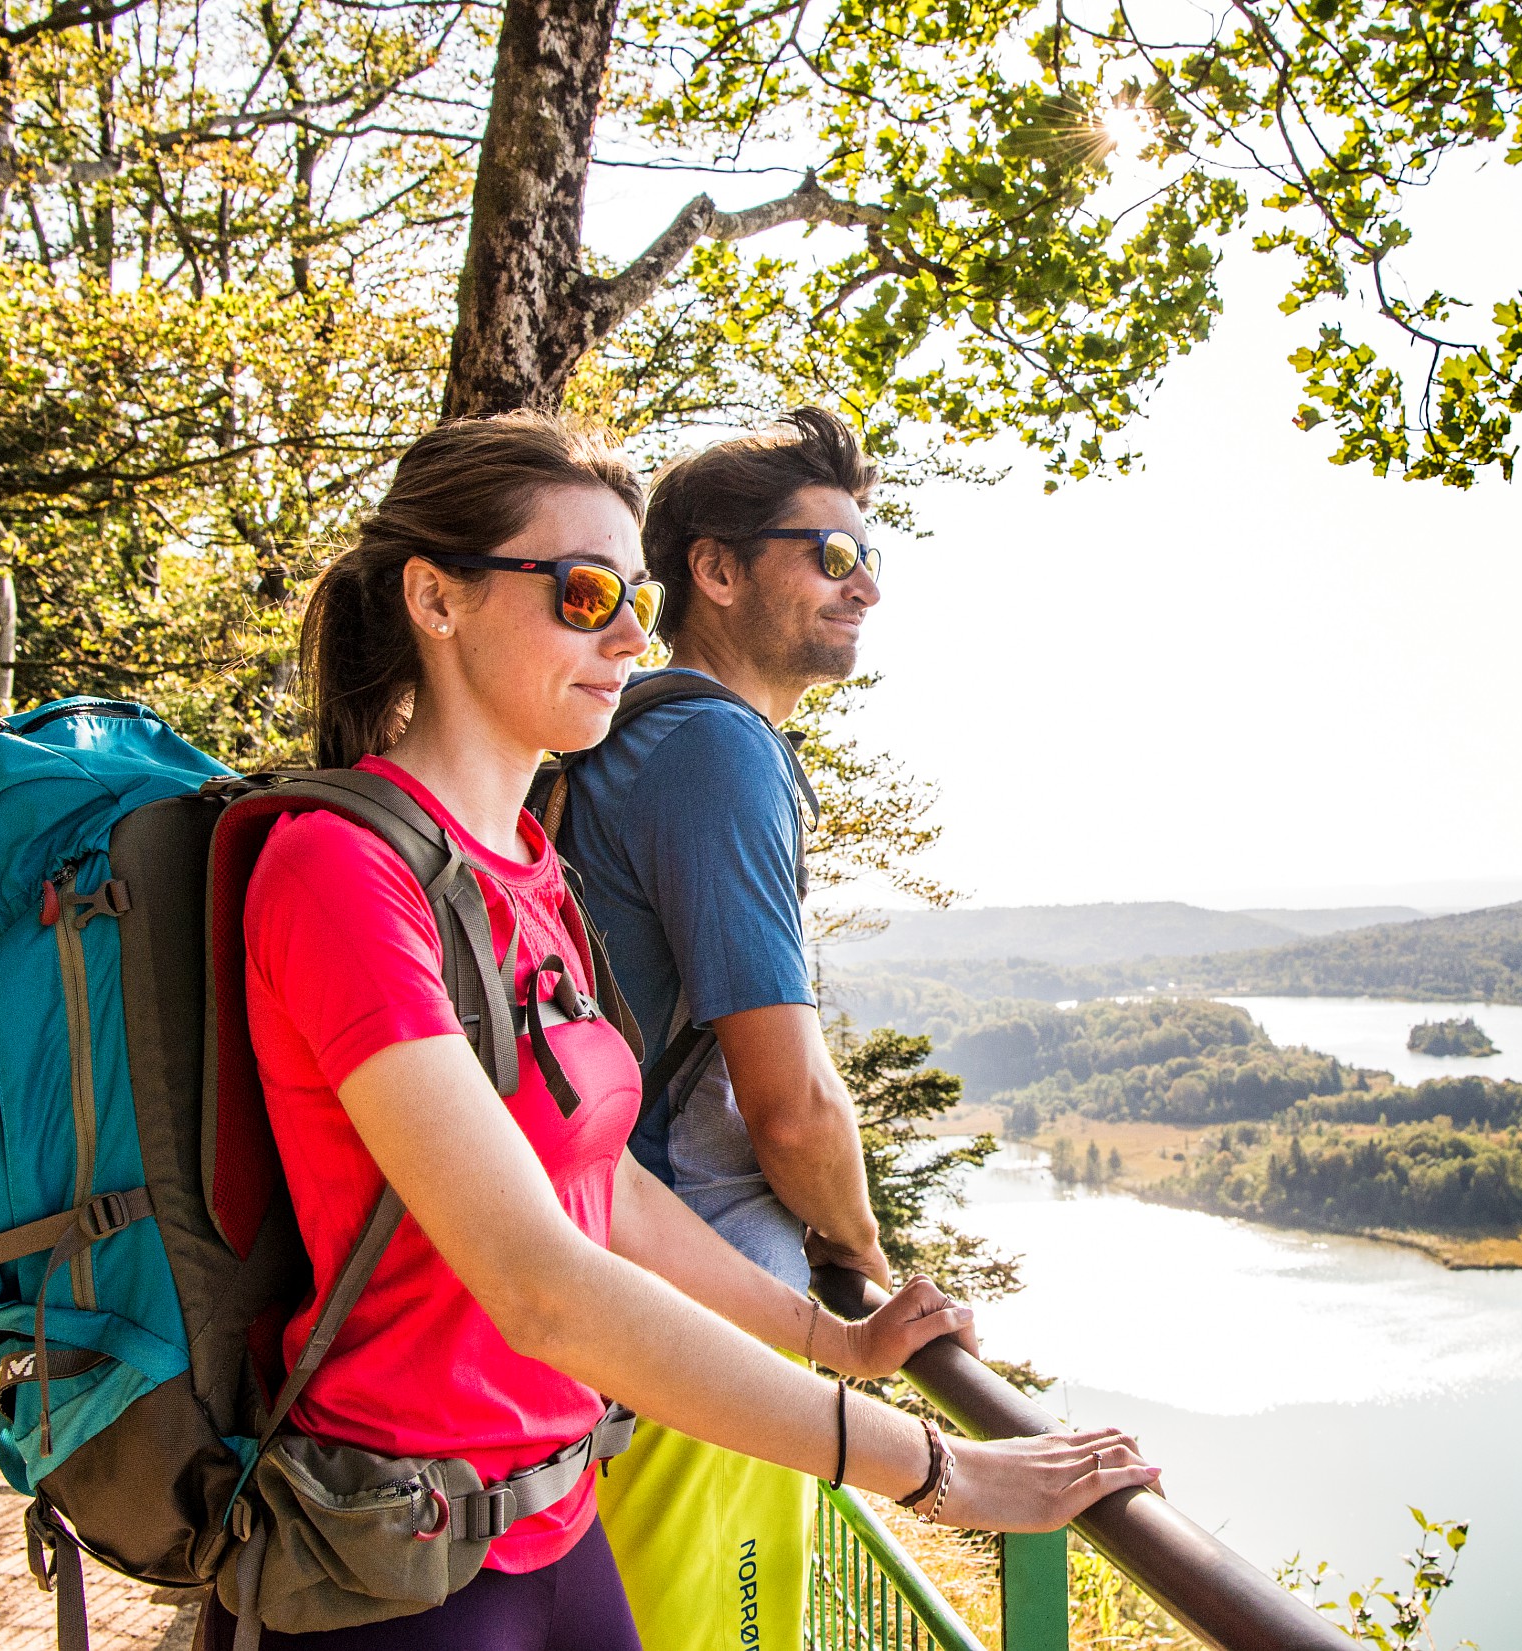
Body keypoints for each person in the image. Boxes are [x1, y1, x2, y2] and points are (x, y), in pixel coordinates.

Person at [215, 410, 1155, 1649]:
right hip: (398, 1553)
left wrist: (835, 1334)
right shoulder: (336, 870)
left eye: (637, 600)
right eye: (584, 589)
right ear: (436, 601)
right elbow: (540, 1284)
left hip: (553, 1517)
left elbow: (603, 1186)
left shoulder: (527, 869)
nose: (626, 634)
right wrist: (942, 1470)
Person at [553, 408, 901, 1650]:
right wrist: (867, 1258)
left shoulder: (623, 734)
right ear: (713, 568)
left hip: (619, 1314)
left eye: (873, 558)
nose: (861, 585)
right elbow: (788, 1102)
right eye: (828, 553)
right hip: (702, 1334)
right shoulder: (714, 750)